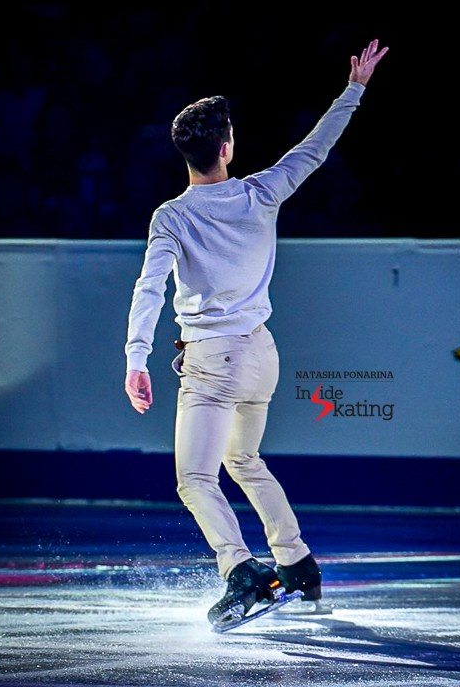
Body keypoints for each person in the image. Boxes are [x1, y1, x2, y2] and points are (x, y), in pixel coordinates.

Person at [124, 39, 389, 626]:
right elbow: (314, 150)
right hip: (261, 355)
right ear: (226, 148)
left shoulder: (171, 216)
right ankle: (297, 564)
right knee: (242, 457)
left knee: (195, 477)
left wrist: (136, 358)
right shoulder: (262, 192)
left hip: (212, 361)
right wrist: (354, 88)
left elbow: (150, 287)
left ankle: (242, 572)